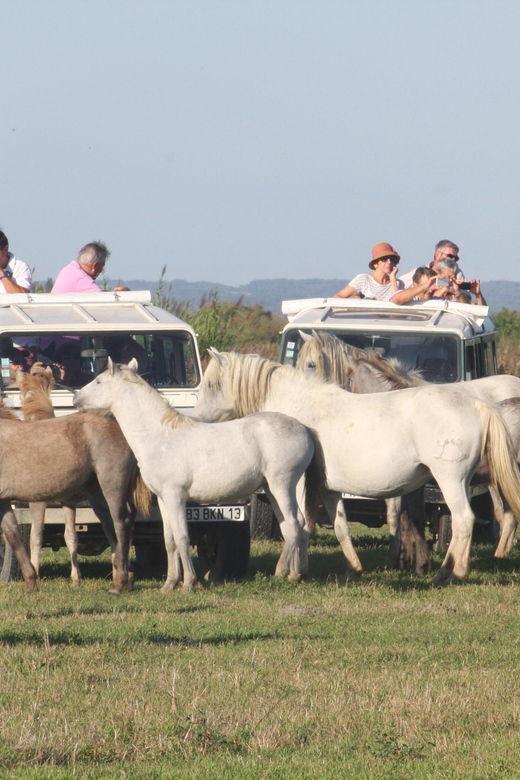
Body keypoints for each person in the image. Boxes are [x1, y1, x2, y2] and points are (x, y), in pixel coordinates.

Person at [335, 243, 405, 302]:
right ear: (375, 264)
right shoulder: (363, 279)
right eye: (385, 259)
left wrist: (393, 278)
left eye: (392, 259)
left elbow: (397, 302)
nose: (389, 262)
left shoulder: (398, 284)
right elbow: (338, 297)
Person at [51, 241, 129, 293]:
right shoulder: (80, 278)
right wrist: (121, 293)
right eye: (102, 266)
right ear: (95, 266)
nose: (102, 270)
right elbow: (104, 297)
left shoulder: (69, 269)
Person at [399, 238, 464, 288]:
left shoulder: (457, 273)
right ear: (437, 254)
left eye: (456, 258)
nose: (453, 260)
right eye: (450, 256)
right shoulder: (421, 271)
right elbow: (400, 284)